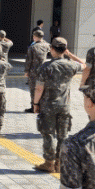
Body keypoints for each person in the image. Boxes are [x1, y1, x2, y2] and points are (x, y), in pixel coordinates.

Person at [31, 38, 86, 172]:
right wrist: (69, 54)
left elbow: (39, 88)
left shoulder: (46, 66)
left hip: (48, 105)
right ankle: (60, 163)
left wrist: (35, 103)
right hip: (64, 105)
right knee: (63, 135)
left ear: (52, 49)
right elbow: (84, 64)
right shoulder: (71, 65)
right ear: (64, 50)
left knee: (48, 134)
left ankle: (49, 163)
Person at [24, 30, 50, 113]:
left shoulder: (32, 47)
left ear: (34, 37)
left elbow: (29, 60)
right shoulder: (47, 45)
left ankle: (34, 107)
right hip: (44, 70)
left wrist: (26, 71)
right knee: (42, 88)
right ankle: (42, 106)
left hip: (33, 71)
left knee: (33, 89)